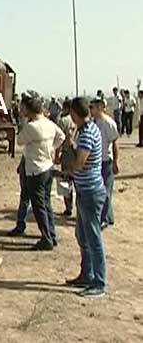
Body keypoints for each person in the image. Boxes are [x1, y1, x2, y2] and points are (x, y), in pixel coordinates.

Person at [66, 97, 107, 297]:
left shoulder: (87, 133)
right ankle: (87, 274)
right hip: (85, 190)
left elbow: (80, 162)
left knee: (93, 237)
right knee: (82, 236)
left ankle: (99, 282)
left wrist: (70, 152)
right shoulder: (86, 130)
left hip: (91, 191)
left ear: (75, 113)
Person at [16, 95, 65, 250]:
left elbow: (19, 140)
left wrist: (24, 123)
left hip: (35, 170)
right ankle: (51, 234)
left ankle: (46, 239)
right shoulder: (49, 124)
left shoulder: (32, 127)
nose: (21, 110)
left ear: (29, 109)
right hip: (47, 168)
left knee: (39, 207)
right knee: (46, 204)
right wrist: (51, 148)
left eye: (23, 107)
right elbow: (61, 137)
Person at [89, 98, 119, 228]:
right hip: (95, 161)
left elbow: (115, 142)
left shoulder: (108, 123)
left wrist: (116, 162)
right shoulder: (92, 122)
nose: (91, 110)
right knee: (98, 190)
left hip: (106, 161)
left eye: (93, 107)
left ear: (100, 108)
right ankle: (108, 216)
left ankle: (104, 218)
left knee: (106, 191)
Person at [58, 100, 77, 217]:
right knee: (78, 181)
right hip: (78, 153)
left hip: (66, 153)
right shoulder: (78, 121)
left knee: (66, 181)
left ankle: (68, 207)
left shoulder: (63, 121)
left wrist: (56, 154)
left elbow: (59, 139)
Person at [137, 82, 143, 148]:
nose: (139, 95)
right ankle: (140, 142)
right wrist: (138, 87)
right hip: (141, 115)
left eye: (140, 94)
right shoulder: (140, 100)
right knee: (140, 130)